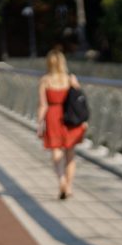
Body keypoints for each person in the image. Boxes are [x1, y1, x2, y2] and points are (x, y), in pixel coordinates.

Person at [36, 49, 85, 199]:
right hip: (69, 118)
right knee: (70, 154)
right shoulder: (69, 79)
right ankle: (69, 187)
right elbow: (79, 100)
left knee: (56, 152)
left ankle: (61, 179)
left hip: (52, 116)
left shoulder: (45, 80)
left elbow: (43, 105)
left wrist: (40, 124)